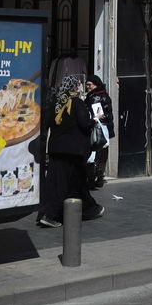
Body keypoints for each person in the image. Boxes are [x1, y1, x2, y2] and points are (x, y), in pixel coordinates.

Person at [38, 75, 102, 228]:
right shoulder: (77, 103)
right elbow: (85, 124)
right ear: (74, 87)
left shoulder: (55, 103)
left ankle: (89, 209)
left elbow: (46, 124)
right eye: (79, 85)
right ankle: (50, 215)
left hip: (56, 149)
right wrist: (96, 119)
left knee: (74, 182)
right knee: (63, 184)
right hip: (73, 151)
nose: (81, 87)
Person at [84, 75, 114, 189]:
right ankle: (100, 176)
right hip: (105, 129)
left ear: (95, 85)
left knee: (92, 154)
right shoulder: (105, 94)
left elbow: (95, 113)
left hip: (97, 129)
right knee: (103, 154)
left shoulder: (94, 97)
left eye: (89, 85)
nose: (87, 87)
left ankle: (92, 178)